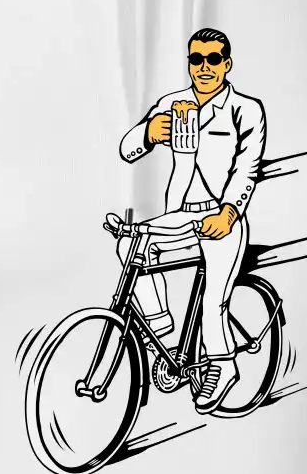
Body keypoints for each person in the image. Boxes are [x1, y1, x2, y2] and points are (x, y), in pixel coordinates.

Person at [109, 28, 266, 410]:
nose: (204, 67)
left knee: (213, 301)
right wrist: (148, 134)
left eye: (213, 59)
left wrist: (229, 212)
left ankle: (223, 366)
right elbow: (127, 150)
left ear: (227, 64)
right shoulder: (173, 104)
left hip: (222, 219)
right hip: (179, 216)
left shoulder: (245, 109)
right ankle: (163, 334)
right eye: (196, 59)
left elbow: (247, 169)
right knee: (130, 245)